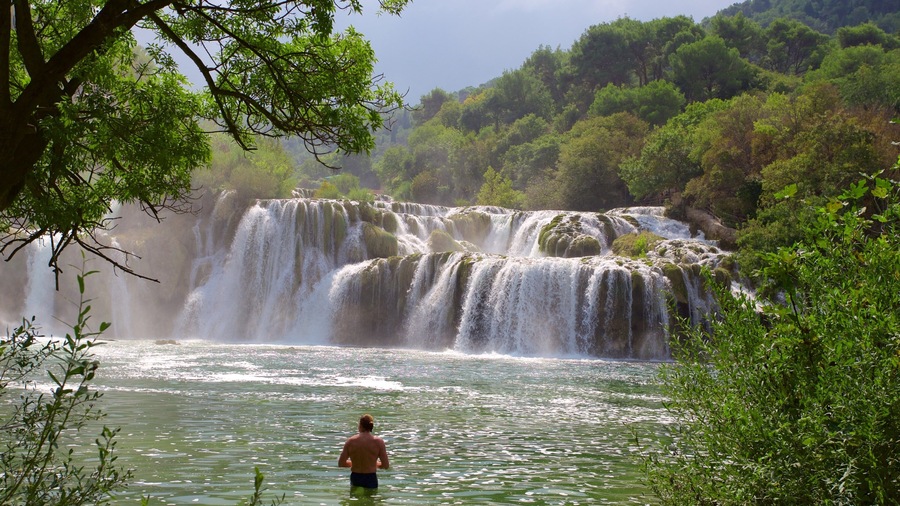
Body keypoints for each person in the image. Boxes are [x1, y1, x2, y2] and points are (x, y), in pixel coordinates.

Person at [338, 414, 390, 489]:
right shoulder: (378, 442)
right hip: (371, 478)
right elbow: (386, 465)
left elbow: (341, 463)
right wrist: (371, 464)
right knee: (371, 499)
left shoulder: (351, 441)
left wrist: (356, 463)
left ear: (360, 426)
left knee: (354, 499)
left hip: (356, 477)